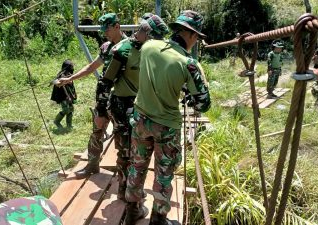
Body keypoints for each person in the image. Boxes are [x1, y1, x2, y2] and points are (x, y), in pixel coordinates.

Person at [124, 10, 211, 225]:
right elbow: (203, 103)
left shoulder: (148, 47)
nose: (196, 41)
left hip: (140, 119)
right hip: (166, 126)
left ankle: (132, 211)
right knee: (163, 173)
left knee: (137, 165)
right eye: (197, 37)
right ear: (191, 35)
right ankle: (158, 219)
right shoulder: (188, 64)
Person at [101, 14, 169, 201]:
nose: (137, 33)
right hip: (122, 106)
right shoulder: (123, 50)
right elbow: (106, 81)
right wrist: (103, 108)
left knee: (140, 152)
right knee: (124, 150)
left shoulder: (157, 52)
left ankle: (134, 190)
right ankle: (123, 188)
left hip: (145, 107)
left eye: (142, 30)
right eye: (140, 30)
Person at [57, 13, 126, 179]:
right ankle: (92, 165)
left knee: (122, 137)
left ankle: (123, 173)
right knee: (96, 130)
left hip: (122, 99)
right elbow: (91, 67)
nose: (105, 33)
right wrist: (69, 79)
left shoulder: (131, 47)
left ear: (117, 26)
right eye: (103, 30)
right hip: (104, 98)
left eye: (107, 30)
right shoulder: (106, 47)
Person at [51, 59, 77, 131]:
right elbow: (58, 84)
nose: (72, 68)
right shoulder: (61, 75)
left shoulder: (69, 74)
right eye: (71, 66)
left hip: (69, 95)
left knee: (71, 109)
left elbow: (70, 83)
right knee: (66, 110)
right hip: (63, 96)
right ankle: (56, 121)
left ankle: (69, 126)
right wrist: (55, 82)